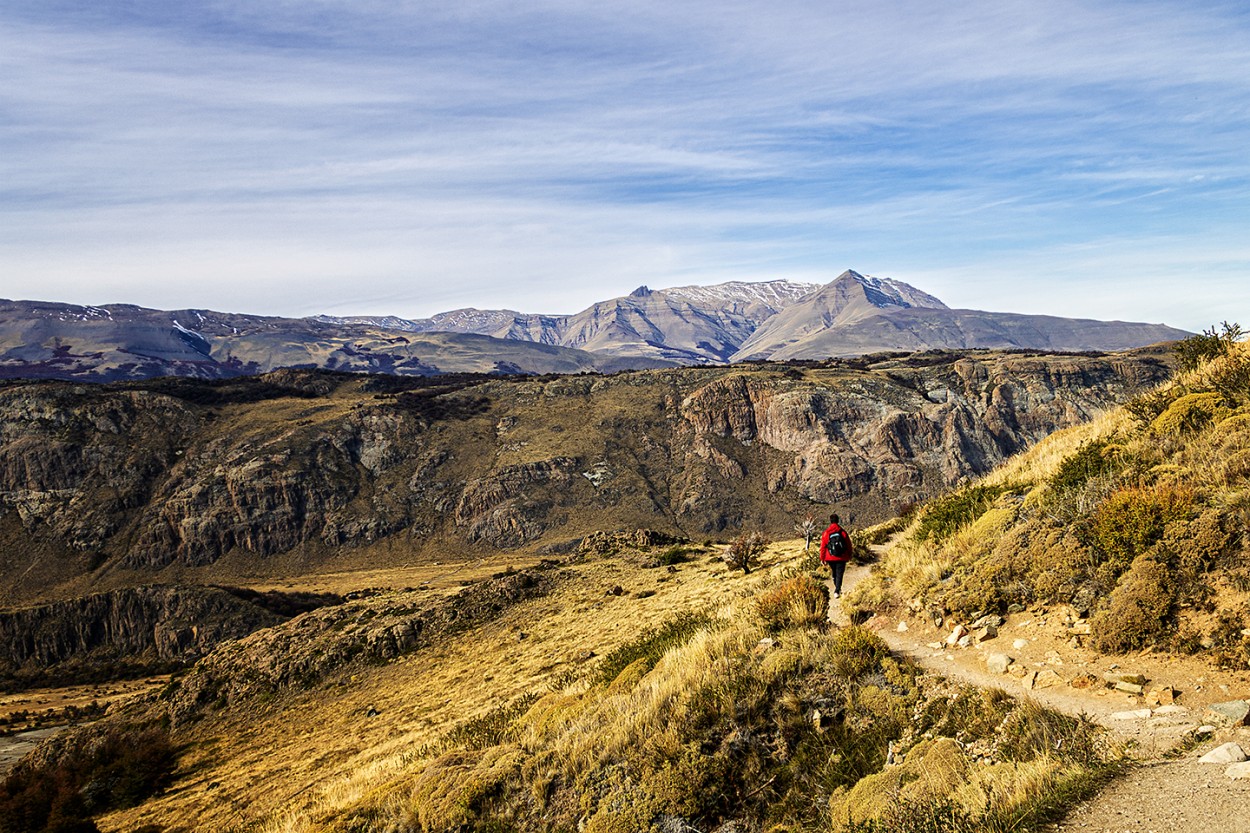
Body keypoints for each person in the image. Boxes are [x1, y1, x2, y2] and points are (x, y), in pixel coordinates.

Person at [819, 513, 853, 599]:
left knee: (834, 573)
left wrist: (822, 558)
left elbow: (823, 546)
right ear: (838, 521)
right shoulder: (842, 532)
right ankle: (837, 590)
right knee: (839, 573)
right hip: (842, 557)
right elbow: (848, 545)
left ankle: (837, 588)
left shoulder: (826, 533)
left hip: (830, 557)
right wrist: (849, 555)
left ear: (830, 521)